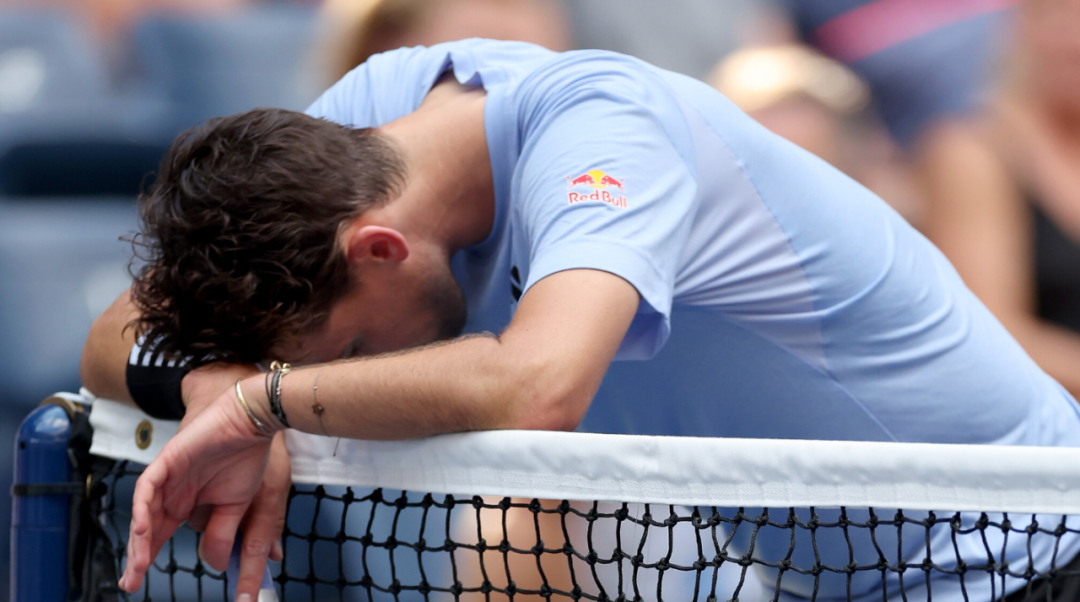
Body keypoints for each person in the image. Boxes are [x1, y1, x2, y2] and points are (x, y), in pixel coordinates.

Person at [77, 40, 1080, 602]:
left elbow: (537, 386)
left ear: (378, 248)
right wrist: (211, 385)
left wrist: (267, 403)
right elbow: (115, 333)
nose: (346, 378)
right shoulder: (359, 130)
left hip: (1028, 544)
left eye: (352, 350)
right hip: (840, 577)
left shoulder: (606, 130)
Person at [921, 0, 1080, 399]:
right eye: (1061, 21)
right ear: (1024, 27)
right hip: (1045, 416)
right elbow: (991, 329)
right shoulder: (975, 151)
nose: (1075, 41)